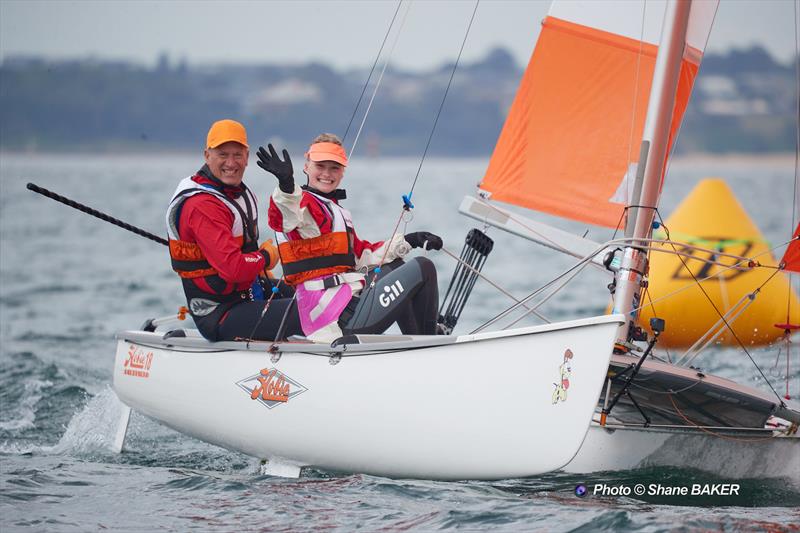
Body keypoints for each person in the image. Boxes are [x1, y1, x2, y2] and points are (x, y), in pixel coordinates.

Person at [259, 133, 443, 342]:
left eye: (334, 168)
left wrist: (410, 240)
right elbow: (284, 216)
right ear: (306, 165)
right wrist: (286, 184)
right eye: (320, 166)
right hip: (332, 319)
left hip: (346, 301)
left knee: (398, 266)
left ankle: (420, 342)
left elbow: (361, 255)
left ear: (343, 172)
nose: (327, 173)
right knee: (423, 267)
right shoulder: (303, 203)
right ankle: (430, 346)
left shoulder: (333, 208)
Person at [165, 119, 301, 341]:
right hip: (220, 314)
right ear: (207, 156)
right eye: (222, 154)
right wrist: (266, 257)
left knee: (316, 296)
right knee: (311, 308)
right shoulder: (203, 206)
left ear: (247, 157)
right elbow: (233, 269)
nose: (231, 162)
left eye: (237, 154)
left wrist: (287, 185)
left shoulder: (237, 194)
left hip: (247, 294)